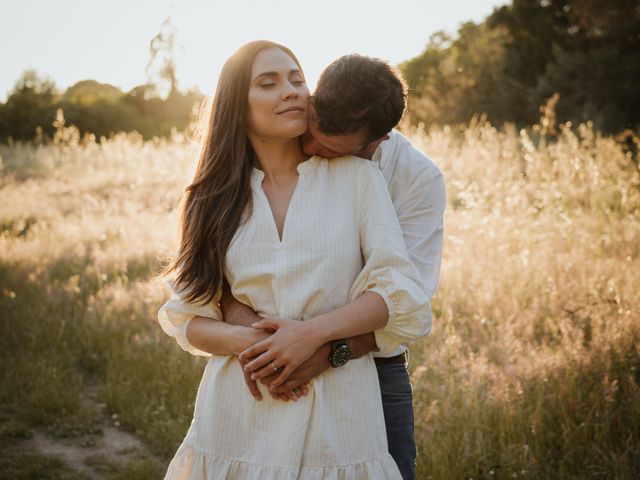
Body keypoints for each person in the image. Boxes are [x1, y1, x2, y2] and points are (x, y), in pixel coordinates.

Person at [158, 40, 430, 479]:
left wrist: (308, 338)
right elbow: (186, 317)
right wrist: (259, 347)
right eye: (269, 83)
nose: (291, 91)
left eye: (297, 80)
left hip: (339, 416)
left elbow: (398, 296)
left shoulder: (358, 178)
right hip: (241, 409)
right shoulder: (210, 197)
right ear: (237, 105)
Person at [223, 54, 446, 479]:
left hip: (373, 368)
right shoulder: (284, 138)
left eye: (327, 150)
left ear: (374, 143)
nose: (310, 149)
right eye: (312, 132)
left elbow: (407, 298)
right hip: (271, 357)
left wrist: (325, 351)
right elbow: (231, 259)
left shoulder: (416, 179)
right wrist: (251, 331)